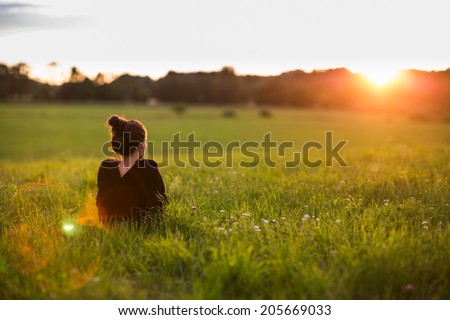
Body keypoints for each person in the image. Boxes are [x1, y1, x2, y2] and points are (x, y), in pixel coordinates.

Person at [96, 115, 167, 224]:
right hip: (142, 232)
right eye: (146, 141)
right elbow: (157, 208)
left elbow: (101, 203)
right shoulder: (149, 169)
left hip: (108, 229)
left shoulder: (106, 167)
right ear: (140, 146)